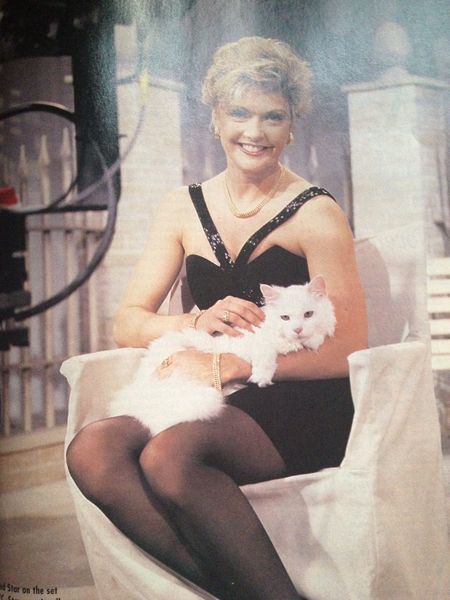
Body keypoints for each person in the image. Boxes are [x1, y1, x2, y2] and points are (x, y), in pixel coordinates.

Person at [66, 36, 367, 600]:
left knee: (170, 457)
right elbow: (128, 322)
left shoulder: (317, 212)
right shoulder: (181, 207)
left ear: (292, 127)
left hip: (300, 401)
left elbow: (348, 343)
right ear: (215, 118)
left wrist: (234, 365)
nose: (256, 131)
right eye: (240, 113)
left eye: (274, 116)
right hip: (209, 396)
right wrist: (195, 322)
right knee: (92, 449)